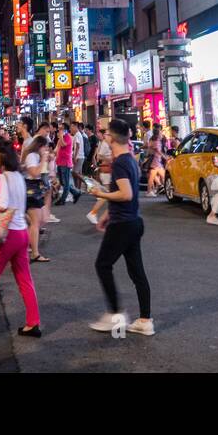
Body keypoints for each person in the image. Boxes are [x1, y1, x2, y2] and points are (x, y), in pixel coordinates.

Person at [87, 118, 154, 337]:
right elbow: (126, 195)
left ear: (112, 137)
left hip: (123, 225)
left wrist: (100, 194)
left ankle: (115, 314)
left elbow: (126, 194)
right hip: (132, 221)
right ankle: (145, 320)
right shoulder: (129, 160)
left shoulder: (121, 163)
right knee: (137, 272)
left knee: (102, 265)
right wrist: (106, 214)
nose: (104, 136)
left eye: (106, 133)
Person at [0, 137, 40, 337]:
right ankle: (33, 322)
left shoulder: (4, 177)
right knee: (24, 279)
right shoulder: (18, 176)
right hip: (21, 233)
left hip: (8, 235)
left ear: (2, 155)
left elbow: (2, 205)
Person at [22, 132, 51, 263]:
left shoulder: (34, 156)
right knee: (35, 222)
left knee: (36, 222)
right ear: (39, 146)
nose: (46, 149)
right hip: (31, 189)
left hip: (34, 189)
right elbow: (34, 173)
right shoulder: (32, 156)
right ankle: (34, 253)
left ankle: (28, 248)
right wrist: (44, 159)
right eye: (45, 147)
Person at [55, 122, 81, 205]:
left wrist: (61, 136)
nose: (59, 130)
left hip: (65, 163)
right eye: (59, 128)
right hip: (59, 162)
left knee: (65, 183)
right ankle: (76, 193)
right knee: (62, 182)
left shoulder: (68, 137)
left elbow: (63, 145)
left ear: (65, 130)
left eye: (61, 128)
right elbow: (58, 148)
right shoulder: (61, 137)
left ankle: (62, 200)